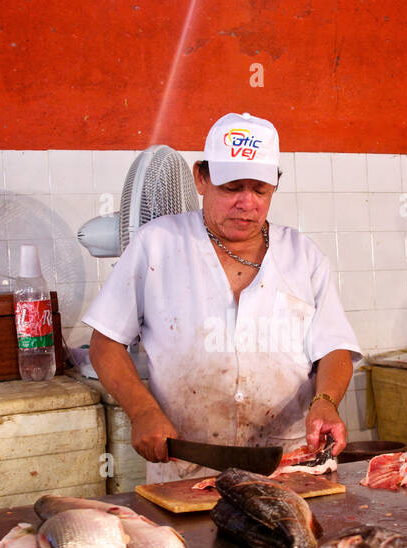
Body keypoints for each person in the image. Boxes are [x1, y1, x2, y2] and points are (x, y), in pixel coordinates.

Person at [83, 112, 361, 481]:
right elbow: (106, 342)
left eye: (260, 189)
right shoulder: (158, 244)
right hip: (186, 467)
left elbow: (334, 347)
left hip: (289, 466)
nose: (247, 203)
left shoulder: (303, 256)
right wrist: (141, 411)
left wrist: (325, 402)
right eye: (232, 187)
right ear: (202, 177)